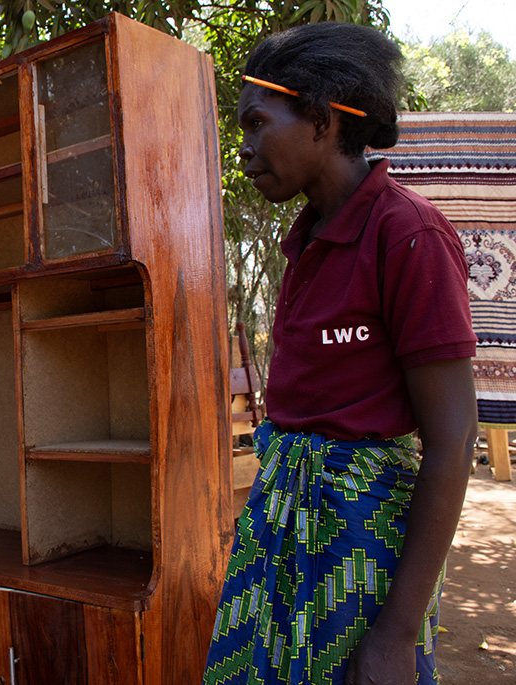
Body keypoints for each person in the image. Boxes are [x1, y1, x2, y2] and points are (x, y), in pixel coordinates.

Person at [203, 22, 478, 685]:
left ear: (323, 122)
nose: (243, 149)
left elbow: (453, 436)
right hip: (281, 531)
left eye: (256, 124)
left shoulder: (407, 234)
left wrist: (396, 632)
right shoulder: (306, 244)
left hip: (358, 552)